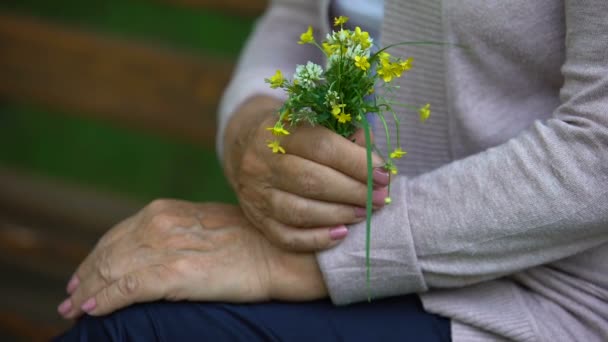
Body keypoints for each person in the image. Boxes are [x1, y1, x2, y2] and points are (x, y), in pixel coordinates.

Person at [55, 0, 608, 341]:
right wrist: (254, 127)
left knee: (141, 330)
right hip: (366, 256)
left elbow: (598, 154)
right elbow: (298, 18)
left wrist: (323, 260)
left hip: (542, 298)